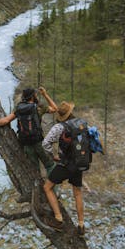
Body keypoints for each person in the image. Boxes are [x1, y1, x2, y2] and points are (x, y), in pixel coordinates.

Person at [0, 86, 57, 173]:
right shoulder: (38, 107)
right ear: (33, 96)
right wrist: (45, 94)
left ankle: (38, 185)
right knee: (50, 166)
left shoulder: (19, 108)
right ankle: (50, 186)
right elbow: (55, 108)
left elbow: (6, 120)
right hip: (38, 141)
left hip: (26, 144)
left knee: (35, 170)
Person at [42, 100, 86, 235]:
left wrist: (53, 155)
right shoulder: (81, 123)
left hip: (65, 164)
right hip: (79, 163)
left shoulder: (59, 127)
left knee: (47, 187)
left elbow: (45, 143)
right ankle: (81, 225)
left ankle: (58, 219)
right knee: (77, 192)